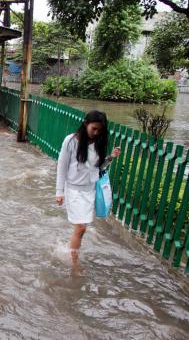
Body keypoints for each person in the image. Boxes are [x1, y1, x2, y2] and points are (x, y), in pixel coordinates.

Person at [55, 110, 121, 275]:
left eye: (100, 130)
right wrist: (59, 191)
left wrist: (110, 158)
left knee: (81, 228)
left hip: (89, 191)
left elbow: (97, 169)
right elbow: (62, 167)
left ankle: (71, 250)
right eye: (94, 128)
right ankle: (75, 263)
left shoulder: (98, 143)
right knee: (81, 228)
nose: (96, 133)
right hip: (74, 190)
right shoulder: (70, 141)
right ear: (85, 124)